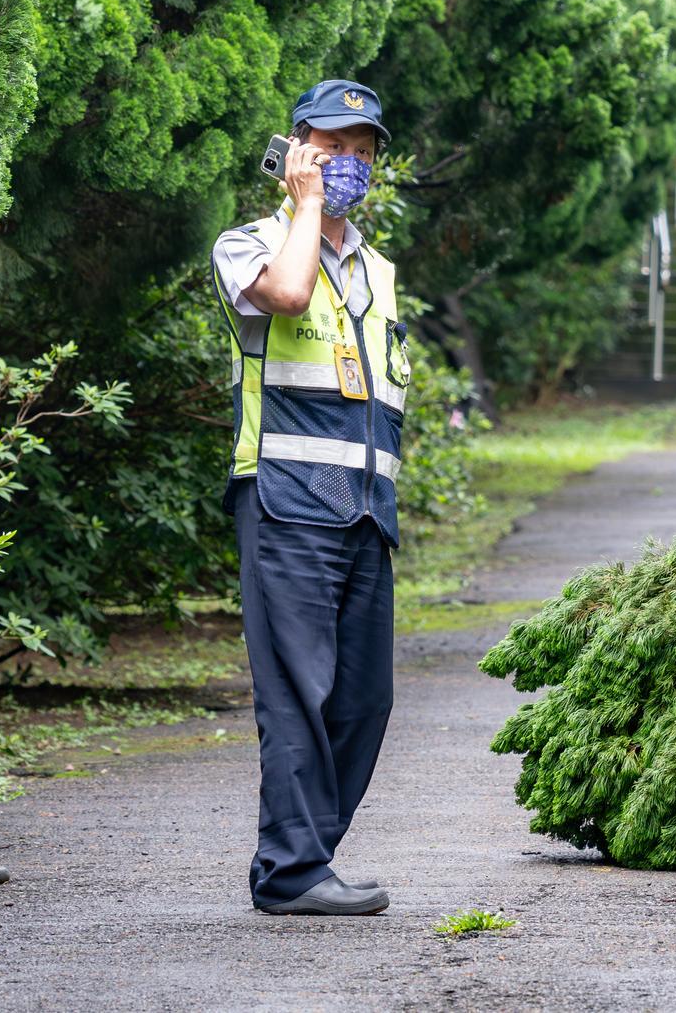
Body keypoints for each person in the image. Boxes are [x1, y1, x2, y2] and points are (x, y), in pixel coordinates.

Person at [209, 79, 411, 917]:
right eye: (332, 148)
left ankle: (300, 856)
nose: (349, 163)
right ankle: (294, 870)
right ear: (297, 151)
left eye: (363, 151)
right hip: (287, 501)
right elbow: (287, 297)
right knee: (297, 689)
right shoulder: (248, 243)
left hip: (365, 512)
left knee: (366, 697)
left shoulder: (379, 270)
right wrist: (302, 208)